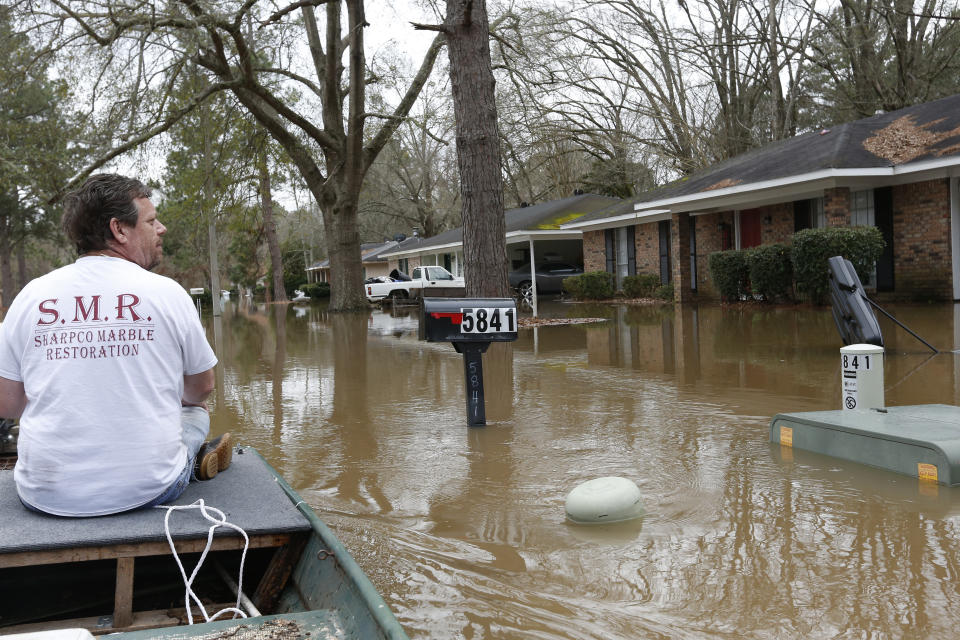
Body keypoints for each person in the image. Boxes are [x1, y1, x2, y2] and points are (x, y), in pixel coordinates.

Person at [0, 174, 231, 517]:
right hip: (149, 489)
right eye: (152, 221)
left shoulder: (31, 296)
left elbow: (8, 405)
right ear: (119, 230)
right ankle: (191, 459)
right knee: (194, 411)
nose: (162, 228)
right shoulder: (166, 293)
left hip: (43, 496)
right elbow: (202, 387)